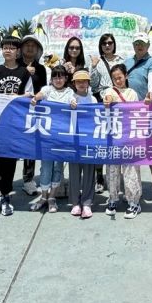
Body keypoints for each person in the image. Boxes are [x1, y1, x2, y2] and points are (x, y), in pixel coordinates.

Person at [0, 36, 34, 218]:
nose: (8, 50)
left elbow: (29, 94)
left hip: (13, 125)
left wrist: (19, 97)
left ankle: (6, 195)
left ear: (18, 51)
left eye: (11, 48)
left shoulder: (24, 73)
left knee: (9, 162)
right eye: (5, 47)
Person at [29, 64, 75, 214]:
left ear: (66, 78)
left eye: (61, 77)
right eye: (55, 77)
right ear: (51, 79)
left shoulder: (69, 91)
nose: (58, 80)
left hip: (62, 136)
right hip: (47, 136)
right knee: (46, 167)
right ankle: (43, 197)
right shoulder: (47, 89)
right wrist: (35, 98)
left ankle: (52, 197)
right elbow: (40, 94)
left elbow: (72, 100)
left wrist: (73, 103)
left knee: (58, 167)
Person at [123, 32, 152, 203]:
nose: (139, 46)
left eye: (142, 43)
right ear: (133, 45)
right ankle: (132, 188)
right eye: (137, 43)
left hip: (147, 110)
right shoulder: (126, 62)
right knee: (132, 151)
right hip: (129, 113)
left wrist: (150, 92)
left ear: (148, 46)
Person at [103, 64, 142, 219]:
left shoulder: (132, 93)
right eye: (115, 78)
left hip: (129, 137)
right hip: (113, 137)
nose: (118, 81)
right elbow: (107, 99)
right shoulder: (110, 91)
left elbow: (136, 112)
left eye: (120, 77)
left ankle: (134, 202)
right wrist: (107, 101)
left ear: (126, 76)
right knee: (112, 170)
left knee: (130, 170)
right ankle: (113, 198)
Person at [90, 33, 124, 191]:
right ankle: (99, 176)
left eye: (110, 42)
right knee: (101, 140)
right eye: (104, 43)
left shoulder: (121, 60)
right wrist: (94, 66)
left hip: (118, 103)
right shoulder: (97, 61)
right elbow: (93, 84)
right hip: (102, 102)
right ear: (101, 46)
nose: (107, 45)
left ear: (114, 44)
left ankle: (115, 176)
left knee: (116, 139)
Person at [67, 69, 99, 218]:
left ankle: (87, 203)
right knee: (74, 171)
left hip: (89, 138)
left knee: (89, 171)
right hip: (74, 139)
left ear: (88, 83)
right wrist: (70, 104)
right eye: (78, 81)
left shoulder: (93, 99)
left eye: (84, 81)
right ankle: (75, 202)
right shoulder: (70, 97)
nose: (81, 83)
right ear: (74, 83)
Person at [20, 35, 48, 196]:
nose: (30, 48)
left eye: (33, 45)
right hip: (16, 110)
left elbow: (43, 89)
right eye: (27, 45)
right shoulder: (15, 64)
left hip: (33, 110)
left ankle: (28, 179)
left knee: (30, 146)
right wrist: (24, 72)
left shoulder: (41, 68)